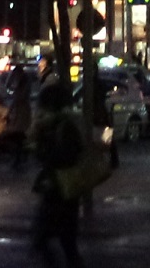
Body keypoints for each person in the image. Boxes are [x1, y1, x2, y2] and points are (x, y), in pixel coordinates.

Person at [31, 77, 87, 268]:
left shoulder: (63, 127)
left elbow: (62, 155)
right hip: (63, 190)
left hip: (60, 189)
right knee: (66, 241)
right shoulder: (60, 126)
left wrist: (43, 147)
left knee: (45, 237)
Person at [5, 63, 33, 171]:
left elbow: (20, 97)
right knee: (18, 136)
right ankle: (20, 157)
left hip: (22, 112)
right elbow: (8, 85)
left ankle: (20, 157)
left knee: (19, 135)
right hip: (19, 112)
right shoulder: (19, 83)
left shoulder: (25, 83)